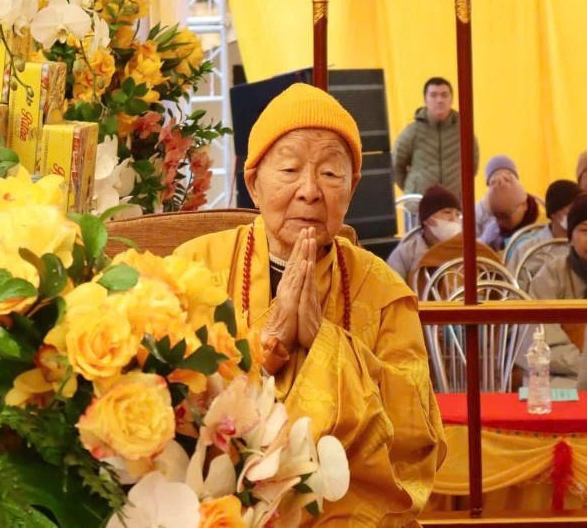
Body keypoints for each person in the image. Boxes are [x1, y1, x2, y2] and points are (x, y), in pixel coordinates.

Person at [175, 83, 445, 526]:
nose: (310, 191)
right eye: (289, 169)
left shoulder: (383, 291)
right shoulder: (194, 269)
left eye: (331, 174)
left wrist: (328, 344)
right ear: (253, 183)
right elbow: (165, 400)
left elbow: (417, 434)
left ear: (352, 189)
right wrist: (266, 343)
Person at [530, 194, 587, 388]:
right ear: (570, 238)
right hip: (562, 375)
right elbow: (543, 344)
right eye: (585, 230)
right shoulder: (550, 276)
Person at [392, 76, 479, 200]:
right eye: (433, 95)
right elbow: (396, 165)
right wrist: (412, 188)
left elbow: (472, 164)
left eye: (444, 95)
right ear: (425, 100)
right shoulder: (412, 132)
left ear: (451, 99)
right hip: (420, 204)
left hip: (455, 203)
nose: (439, 100)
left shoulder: (463, 130)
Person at [387, 184, 462, 282]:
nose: (454, 218)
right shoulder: (404, 254)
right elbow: (392, 286)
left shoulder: (467, 250)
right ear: (427, 220)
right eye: (447, 212)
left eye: (457, 214)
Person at [507, 179, 580, 276]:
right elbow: (510, 283)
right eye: (572, 209)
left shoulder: (583, 247)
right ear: (554, 212)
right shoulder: (526, 251)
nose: (578, 214)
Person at [480, 164, 540, 251]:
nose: (502, 223)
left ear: (524, 205)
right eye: (498, 218)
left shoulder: (541, 226)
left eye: (507, 216)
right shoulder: (494, 230)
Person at [475, 155, 520, 237]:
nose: (502, 182)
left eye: (507, 177)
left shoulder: (525, 205)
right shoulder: (478, 210)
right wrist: (486, 238)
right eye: (496, 177)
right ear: (489, 184)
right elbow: (472, 241)